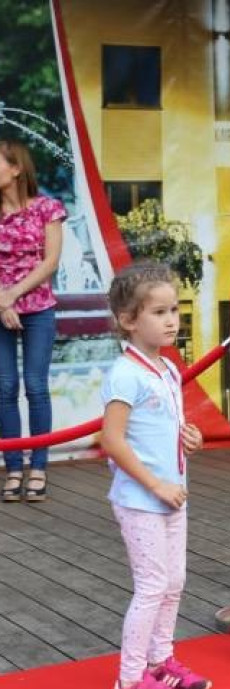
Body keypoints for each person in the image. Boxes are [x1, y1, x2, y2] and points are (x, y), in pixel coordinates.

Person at [100, 261, 210, 689]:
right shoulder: (125, 373)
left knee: (175, 581)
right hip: (142, 500)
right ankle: (129, 683)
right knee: (151, 585)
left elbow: (165, 425)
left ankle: (161, 660)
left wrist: (191, 437)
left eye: (175, 310)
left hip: (172, 495)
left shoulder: (165, 369)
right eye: (159, 312)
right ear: (129, 320)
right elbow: (112, 440)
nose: (171, 320)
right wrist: (156, 485)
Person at [0, 139, 65, 503]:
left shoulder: (47, 209)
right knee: (4, 387)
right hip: (0, 309)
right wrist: (2, 301)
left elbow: (50, 262)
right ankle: (13, 468)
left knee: (35, 385)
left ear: (16, 168)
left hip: (38, 308)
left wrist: (14, 294)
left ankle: (38, 466)